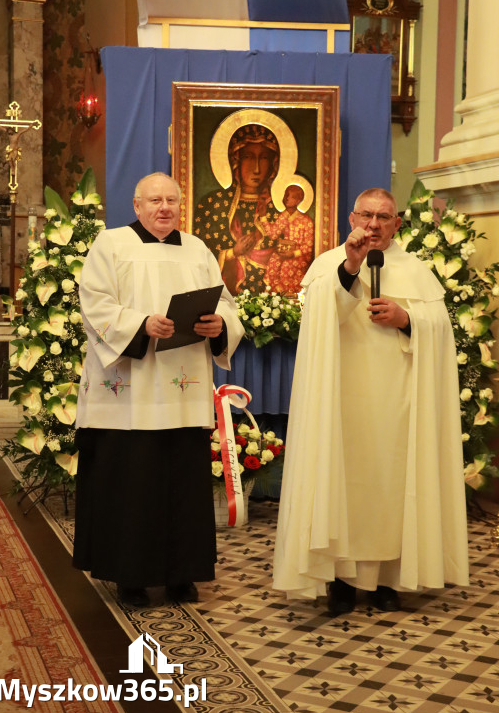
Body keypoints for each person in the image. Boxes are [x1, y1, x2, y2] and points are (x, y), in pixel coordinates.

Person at [273, 188, 469, 615]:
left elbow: (439, 328)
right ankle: (341, 580)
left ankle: (386, 580)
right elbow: (319, 315)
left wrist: (407, 319)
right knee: (342, 483)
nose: (375, 224)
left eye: (384, 217)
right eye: (367, 215)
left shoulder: (416, 268)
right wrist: (351, 266)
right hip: (341, 401)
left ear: (397, 223)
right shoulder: (330, 264)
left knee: (392, 487)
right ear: (351, 218)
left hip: (397, 402)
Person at [73, 172, 244, 608]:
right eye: (154, 200)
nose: (163, 207)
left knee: (181, 485)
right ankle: (129, 576)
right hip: (128, 390)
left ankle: (181, 574)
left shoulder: (198, 249)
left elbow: (225, 301)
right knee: (131, 483)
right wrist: (140, 324)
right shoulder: (111, 245)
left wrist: (219, 324)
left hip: (181, 390)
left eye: (171, 200)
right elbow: (94, 303)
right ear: (136, 205)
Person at [194, 124, 279, 295]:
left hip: (272, 298)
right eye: (248, 157)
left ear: (273, 164)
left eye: (263, 158)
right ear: (235, 161)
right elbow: (197, 255)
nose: (256, 168)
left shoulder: (278, 208)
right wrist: (232, 253)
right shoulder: (212, 204)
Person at [260, 184, 314, 295]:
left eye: (291, 197)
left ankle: (292, 298)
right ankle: (274, 299)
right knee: (274, 262)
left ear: (298, 200)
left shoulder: (306, 220)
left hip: (298, 257)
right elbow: (273, 234)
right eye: (286, 195)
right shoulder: (283, 216)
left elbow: (308, 246)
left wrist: (293, 254)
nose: (287, 199)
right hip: (284, 252)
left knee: (286, 267)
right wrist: (263, 217)